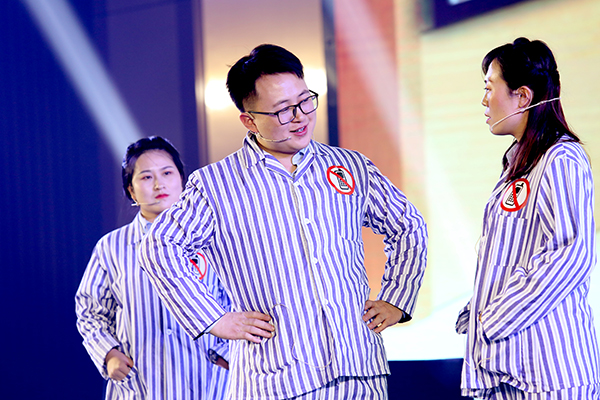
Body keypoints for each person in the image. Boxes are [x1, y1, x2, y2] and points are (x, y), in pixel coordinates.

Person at [139, 44, 428, 399]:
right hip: (277, 380)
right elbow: (159, 247)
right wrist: (213, 319)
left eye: (305, 101)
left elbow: (408, 225)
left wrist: (397, 298)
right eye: (282, 110)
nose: (300, 116)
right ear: (249, 120)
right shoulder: (216, 185)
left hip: (359, 371)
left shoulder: (349, 166)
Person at [456, 37, 600, 399]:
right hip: (511, 367)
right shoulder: (519, 164)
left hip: (550, 372)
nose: (484, 100)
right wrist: (476, 312)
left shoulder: (561, 158)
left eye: (490, 87)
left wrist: (494, 318)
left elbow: (573, 253)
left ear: (522, 96)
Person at [75, 136, 230, 399]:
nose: (159, 184)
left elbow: (236, 302)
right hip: (140, 384)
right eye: (146, 177)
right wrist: (108, 354)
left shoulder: (212, 240)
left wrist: (226, 354)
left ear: (182, 180)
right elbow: (90, 311)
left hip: (208, 381)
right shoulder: (111, 247)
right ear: (131, 190)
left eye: (167, 173)